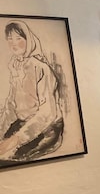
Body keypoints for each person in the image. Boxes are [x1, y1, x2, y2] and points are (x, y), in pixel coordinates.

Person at [0, 20, 64, 160]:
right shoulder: (16, 66)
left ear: (28, 39)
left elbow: (47, 113)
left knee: (10, 158)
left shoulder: (41, 68)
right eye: (10, 39)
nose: (13, 43)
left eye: (18, 38)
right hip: (24, 123)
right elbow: (11, 105)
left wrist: (14, 140)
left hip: (46, 128)